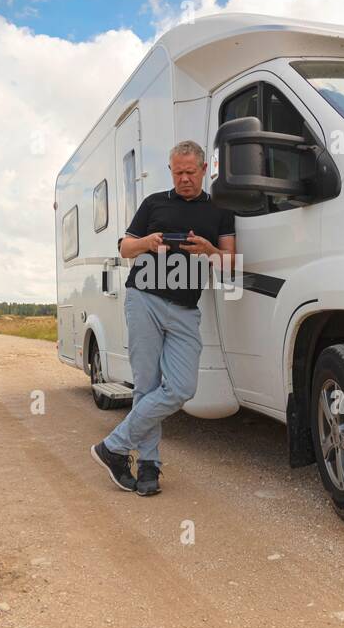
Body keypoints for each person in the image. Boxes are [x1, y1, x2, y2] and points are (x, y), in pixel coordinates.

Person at [90, 139, 236, 496]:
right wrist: (148, 242)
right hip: (145, 299)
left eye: (190, 171)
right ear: (170, 171)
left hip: (186, 310)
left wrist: (209, 250)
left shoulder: (220, 209)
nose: (184, 178)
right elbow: (125, 248)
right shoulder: (154, 202)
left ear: (204, 170)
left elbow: (231, 263)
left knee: (182, 388)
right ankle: (149, 466)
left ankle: (114, 446)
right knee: (147, 387)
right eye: (178, 172)